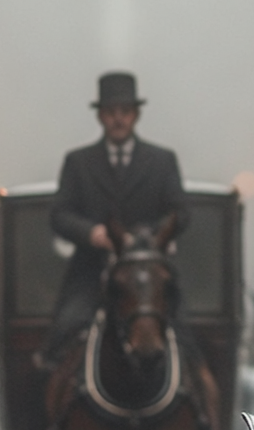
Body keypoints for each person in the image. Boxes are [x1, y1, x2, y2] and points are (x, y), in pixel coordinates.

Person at [44, 72, 189, 363]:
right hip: (91, 273)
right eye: (111, 112)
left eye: (125, 111)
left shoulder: (162, 161)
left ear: (136, 115)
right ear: (100, 117)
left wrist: (149, 236)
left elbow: (181, 213)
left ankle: (202, 389)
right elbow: (59, 215)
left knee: (188, 336)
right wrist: (91, 233)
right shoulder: (78, 162)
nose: (118, 119)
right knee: (63, 331)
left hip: (149, 275)